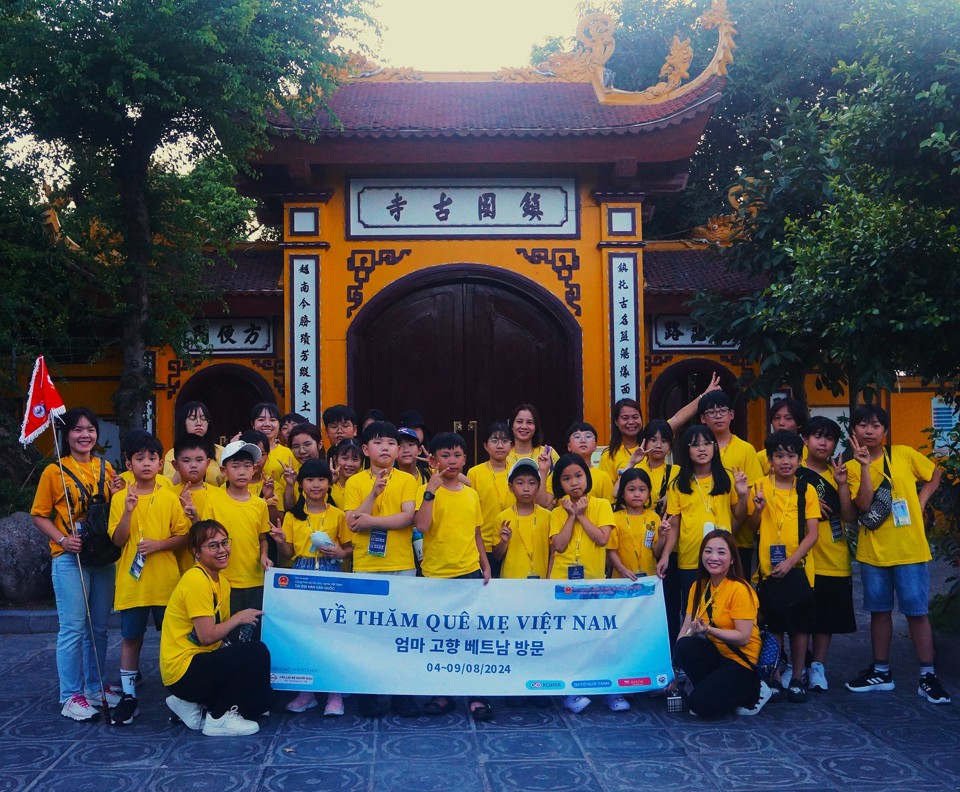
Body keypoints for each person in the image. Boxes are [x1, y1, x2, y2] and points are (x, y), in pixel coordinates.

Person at [844, 404, 950, 704]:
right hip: (874, 551)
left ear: (885, 431)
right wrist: (864, 466)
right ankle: (881, 671)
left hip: (910, 549)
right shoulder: (851, 467)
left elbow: (935, 473)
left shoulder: (902, 453)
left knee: (917, 613)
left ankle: (927, 676)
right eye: (863, 425)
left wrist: (922, 499)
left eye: (876, 425)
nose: (869, 430)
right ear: (854, 430)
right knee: (879, 612)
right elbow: (863, 505)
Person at [31, 407, 125, 721]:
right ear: (66, 434)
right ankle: (70, 695)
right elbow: (39, 514)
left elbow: (111, 513)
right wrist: (61, 539)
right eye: (77, 429)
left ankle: (95, 687)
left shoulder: (106, 468)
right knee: (72, 628)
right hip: (70, 558)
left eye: (90, 430)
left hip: (101, 556)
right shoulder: (53, 471)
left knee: (99, 628)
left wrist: (117, 495)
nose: (84, 435)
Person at [107, 431, 191, 724]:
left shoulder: (169, 497)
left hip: (166, 581)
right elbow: (118, 541)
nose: (146, 463)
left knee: (174, 639)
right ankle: (129, 697)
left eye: (152, 458)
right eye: (139, 458)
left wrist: (158, 545)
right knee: (131, 638)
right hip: (133, 584)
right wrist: (128, 512)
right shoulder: (119, 498)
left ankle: (180, 695)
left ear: (160, 463)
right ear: (128, 463)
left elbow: (183, 536)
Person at [161, 520, 272, 736]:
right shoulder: (196, 580)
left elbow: (219, 634)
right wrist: (239, 618)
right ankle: (219, 718)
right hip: (183, 670)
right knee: (256, 652)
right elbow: (207, 636)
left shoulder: (222, 581)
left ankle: (187, 703)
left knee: (262, 703)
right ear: (195, 551)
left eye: (224, 543)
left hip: (200, 662)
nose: (222, 550)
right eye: (213, 546)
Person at [415, 432, 493, 720]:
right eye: (445, 455)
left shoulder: (471, 494)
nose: (452, 461)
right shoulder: (426, 490)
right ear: (433, 460)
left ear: (465, 459)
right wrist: (430, 491)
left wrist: (485, 563)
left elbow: (476, 532)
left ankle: (476, 695)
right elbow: (421, 526)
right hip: (436, 575)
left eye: (457, 455)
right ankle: (442, 693)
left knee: (472, 636)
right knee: (440, 637)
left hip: (469, 572)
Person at [343, 421, 419, 717]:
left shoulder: (406, 480)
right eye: (378, 442)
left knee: (402, 632)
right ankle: (370, 697)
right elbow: (351, 523)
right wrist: (373, 494)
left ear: (399, 450)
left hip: (401, 565)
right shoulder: (355, 482)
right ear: (365, 449)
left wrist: (370, 521)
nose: (385, 447)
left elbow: (406, 518)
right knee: (369, 634)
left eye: (390, 443)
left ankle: (403, 697)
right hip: (366, 566)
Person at [274, 459, 350, 715]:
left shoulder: (337, 515)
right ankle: (306, 693)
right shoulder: (293, 517)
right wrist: (282, 541)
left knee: (332, 635)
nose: (315, 485)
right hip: (302, 574)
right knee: (304, 634)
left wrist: (340, 551)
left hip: (330, 572)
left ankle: (335, 693)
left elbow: (350, 547)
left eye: (321, 480)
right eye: (309, 480)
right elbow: (288, 553)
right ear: (301, 485)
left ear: (329, 484)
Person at [748, 430, 820, 703]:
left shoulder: (806, 489)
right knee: (775, 626)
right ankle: (776, 676)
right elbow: (753, 528)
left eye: (791, 455)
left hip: (798, 569)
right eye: (779, 456)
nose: (786, 461)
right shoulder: (760, 486)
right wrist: (756, 508)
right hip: (768, 571)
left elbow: (812, 534)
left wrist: (791, 562)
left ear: (800, 460)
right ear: (769, 460)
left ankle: (798, 677)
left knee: (800, 628)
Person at [675, 530, 772, 717]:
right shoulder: (698, 587)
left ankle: (755, 689)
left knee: (697, 705)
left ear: (733, 558)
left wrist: (709, 630)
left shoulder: (740, 589)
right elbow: (686, 630)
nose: (713, 557)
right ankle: (716, 690)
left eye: (721, 552)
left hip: (742, 662)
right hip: (719, 656)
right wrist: (674, 669)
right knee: (684, 646)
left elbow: (743, 638)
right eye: (708, 551)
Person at [547, 453, 615, 715]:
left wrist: (583, 515)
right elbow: (560, 545)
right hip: (564, 584)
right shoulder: (556, 511)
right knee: (569, 639)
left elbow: (601, 539)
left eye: (578, 476)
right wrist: (571, 516)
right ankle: (571, 692)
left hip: (594, 582)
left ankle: (608, 689)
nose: (574, 482)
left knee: (598, 637)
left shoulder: (602, 505)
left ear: (587, 477)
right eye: (566, 478)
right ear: (559, 484)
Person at [665, 425, 749, 624]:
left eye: (706, 443)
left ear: (714, 447)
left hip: (723, 557)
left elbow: (740, 514)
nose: (701, 449)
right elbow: (674, 526)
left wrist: (743, 494)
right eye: (695, 445)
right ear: (686, 450)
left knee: (725, 612)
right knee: (693, 613)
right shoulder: (678, 484)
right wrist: (666, 556)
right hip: (690, 558)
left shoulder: (727, 477)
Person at [797, 416, 858, 691]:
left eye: (829, 438)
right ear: (805, 440)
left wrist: (842, 484)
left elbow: (848, 516)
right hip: (799, 556)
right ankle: (797, 666)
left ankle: (818, 666)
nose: (823, 442)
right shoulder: (792, 470)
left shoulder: (840, 471)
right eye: (817, 436)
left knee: (825, 617)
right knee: (797, 614)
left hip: (832, 555)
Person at [201, 440, 272, 635]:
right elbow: (207, 538)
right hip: (225, 580)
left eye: (247, 466)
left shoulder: (260, 505)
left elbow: (263, 538)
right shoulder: (213, 499)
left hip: (255, 579)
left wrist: (264, 556)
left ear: (254, 470)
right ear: (224, 471)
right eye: (236, 466)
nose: (242, 471)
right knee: (228, 632)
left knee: (253, 632)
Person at [598, 373, 721, 485]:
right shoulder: (610, 455)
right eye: (625, 418)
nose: (631, 422)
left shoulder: (654, 436)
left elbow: (678, 418)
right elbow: (609, 491)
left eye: (635, 417)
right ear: (616, 421)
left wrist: (705, 395)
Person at [698, 391, 764, 575]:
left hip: (739, 539)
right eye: (712, 412)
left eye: (722, 411)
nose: (718, 416)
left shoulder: (745, 449)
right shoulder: (700, 449)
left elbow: (750, 494)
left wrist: (728, 534)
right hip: (703, 538)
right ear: (703, 418)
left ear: (732, 415)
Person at [467, 422, 515, 578]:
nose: (500, 445)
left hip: (514, 541)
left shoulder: (518, 471)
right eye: (494, 440)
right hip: (484, 544)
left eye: (505, 440)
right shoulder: (475, 473)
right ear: (485, 446)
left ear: (511, 446)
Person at [492, 459, 551, 579]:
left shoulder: (547, 516)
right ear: (510, 487)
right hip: (511, 583)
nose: (526, 488)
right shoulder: (502, 518)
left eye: (532, 483)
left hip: (541, 582)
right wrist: (504, 542)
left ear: (539, 486)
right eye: (520, 483)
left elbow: (553, 553)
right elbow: (497, 556)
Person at [172, 435, 215, 573]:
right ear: (175, 465)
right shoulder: (168, 495)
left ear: (208, 463)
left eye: (199, 460)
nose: (193, 465)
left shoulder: (219, 495)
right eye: (186, 460)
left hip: (212, 570)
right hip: (176, 570)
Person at [162, 401, 223, 486]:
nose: (199, 423)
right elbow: (170, 486)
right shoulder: (172, 454)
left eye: (203, 418)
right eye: (193, 418)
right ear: (183, 422)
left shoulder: (221, 452)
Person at [251, 402, 298, 510]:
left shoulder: (288, 453)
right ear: (252, 424)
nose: (267, 424)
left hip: (279, 509)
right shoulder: (245, 450)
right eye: (261, 419)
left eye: (272, 420)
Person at [281, 422, 326, 513]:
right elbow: (289, 511)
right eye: (296, 446)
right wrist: (290, 485)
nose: (302, 451)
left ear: (319, 444)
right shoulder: (289, 477)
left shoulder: (332, 473)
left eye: (307, 445)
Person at [564, 421, 614, 502]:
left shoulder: (603, 477)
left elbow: (609, 508)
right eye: (577, 437)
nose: (583, 440)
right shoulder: (560, 473)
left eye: (588, 436)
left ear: (595, 446)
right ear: (569, 447)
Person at [757, 397, 809, 473]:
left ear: (799, 424)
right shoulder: (761, 457)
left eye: (788, 418)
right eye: (777, 418)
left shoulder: (810, 454)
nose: (781, 423)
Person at [329, 438, 363, 510]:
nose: (349, 464)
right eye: (344, 458)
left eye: (355, 459)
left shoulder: (366, 485)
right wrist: (329, 483)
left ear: (361, 463)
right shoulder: (328, 486)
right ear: (335, 460)